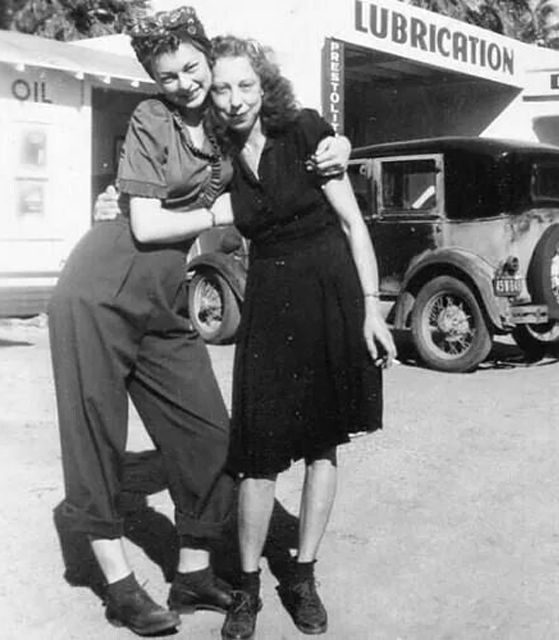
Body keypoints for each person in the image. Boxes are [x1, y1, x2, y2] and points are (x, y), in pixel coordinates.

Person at [50, 7, 351, 637]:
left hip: (167, 297)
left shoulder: (225, 119)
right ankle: (119, 585)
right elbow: (143, 224)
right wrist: (223, 211)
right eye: (169, 76)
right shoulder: (151, 118)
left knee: (213, 439)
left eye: (192, 68)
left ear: (210, 61)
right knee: (96, 434)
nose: (185, 84)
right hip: (99, 288)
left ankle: (191, 573)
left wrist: (340, 144)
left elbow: (291, 130)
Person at [203, 36, 397, 640]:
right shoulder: (218, 155)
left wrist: (372, 311)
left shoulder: (305, 131)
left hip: (330, 294)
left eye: (245, 85)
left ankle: (304, 576)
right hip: (268, 302)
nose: (235, 99)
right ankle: (247, 587)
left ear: (264, 86)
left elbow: (353, 224)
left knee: (322, 444)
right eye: (222, 88)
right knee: (257, 454)